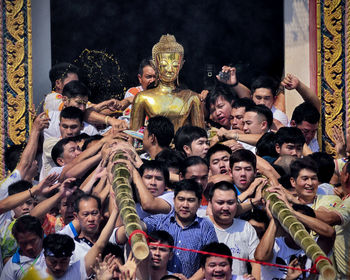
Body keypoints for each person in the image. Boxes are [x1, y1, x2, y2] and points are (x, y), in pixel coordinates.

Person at [116, 179, 218, 278]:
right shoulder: (159, 221)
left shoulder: (206, 226)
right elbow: (138, 227)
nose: (185, 205)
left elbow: (211, 260)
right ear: (174, 200)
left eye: (191, 200)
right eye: (181, 199)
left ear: (199, 203)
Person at [131, 34, 204, 132]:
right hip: (155, 146)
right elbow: (133, 135)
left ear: (181, 65)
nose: (170, 70)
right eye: (164, 65)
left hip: (181, 146)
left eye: (175, 65)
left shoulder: (192, 97)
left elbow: (200, 136)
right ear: (155, 65)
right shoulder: (142, 97)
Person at [207, 181, 260, 278]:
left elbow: (256, 262)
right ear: (210, 202)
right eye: (220, 203)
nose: (225, 207)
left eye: (230, 203)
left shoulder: (246, 228)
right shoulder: (202, 225)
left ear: (236, 202)